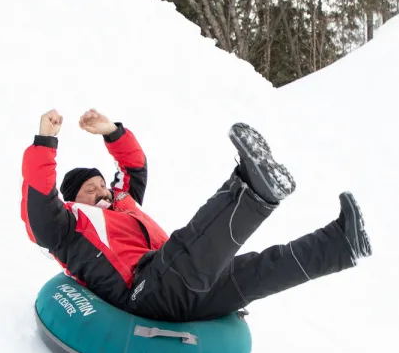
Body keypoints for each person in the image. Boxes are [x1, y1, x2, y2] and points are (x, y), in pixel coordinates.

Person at [20, 108, 372, 323]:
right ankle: (253, 188)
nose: (102, 191)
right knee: (189, 246)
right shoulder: (67, 228)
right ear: (71, 199)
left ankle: (341, 244)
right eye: (90, 188)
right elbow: (39, 199)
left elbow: (134, 166)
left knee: (259, 269)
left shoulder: (122, 203)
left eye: (101, 184)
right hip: (145, 291)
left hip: (176, 282)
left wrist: (111, 131)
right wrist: (45, 141)